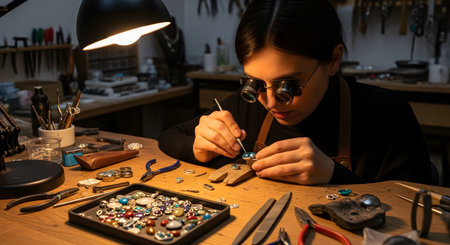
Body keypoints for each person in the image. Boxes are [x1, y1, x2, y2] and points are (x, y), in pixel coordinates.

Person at [158, 0, 435, 185]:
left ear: (333, 60)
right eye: (255, 83)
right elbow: (170, 136)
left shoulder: (386, 115)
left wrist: (334, 176)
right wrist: (198, 146)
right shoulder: (248, 107)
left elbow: (418, 208)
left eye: (287, 86)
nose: (269, 101)